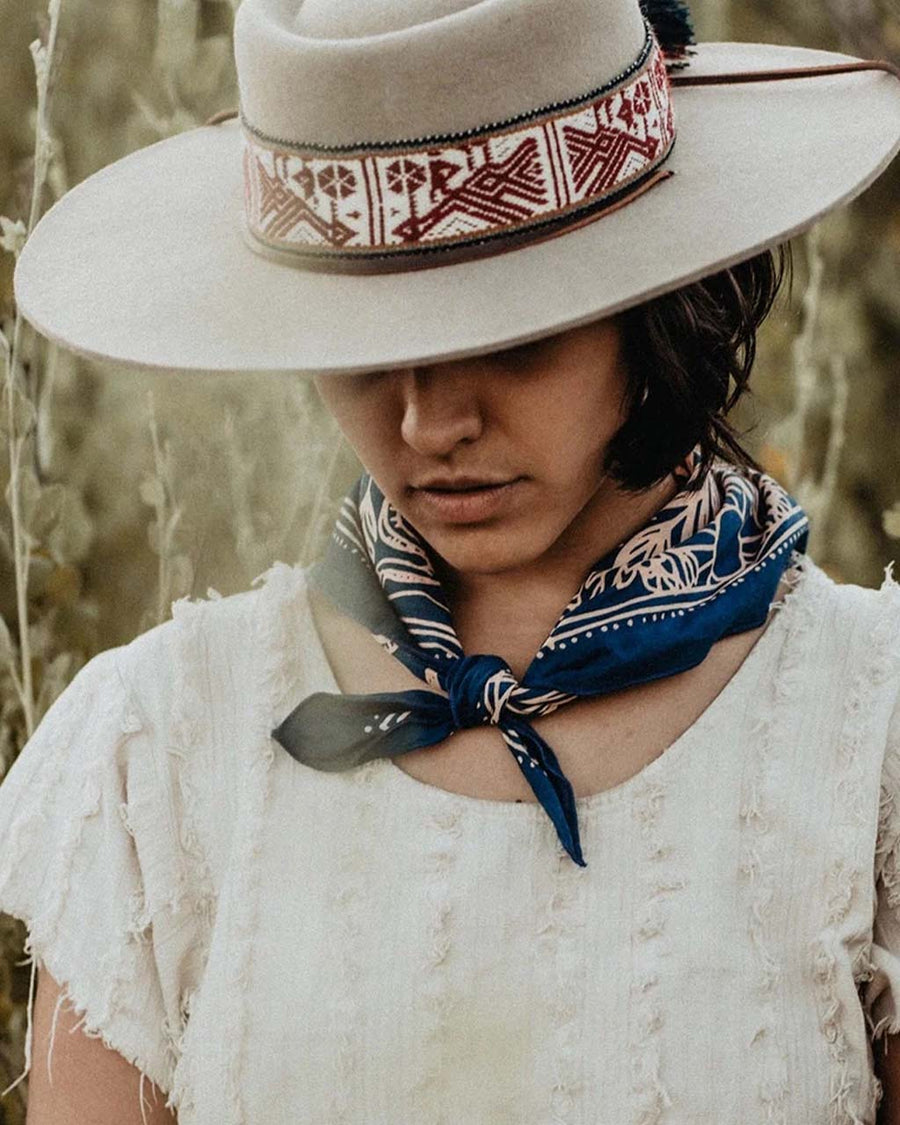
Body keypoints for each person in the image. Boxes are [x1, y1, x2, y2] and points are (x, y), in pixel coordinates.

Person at [1, 0, 900, 1121]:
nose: (428, 421)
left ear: (660, 299)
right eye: (368, 348)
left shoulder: (871, 732)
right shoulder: (159, 751)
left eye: (510, 336)